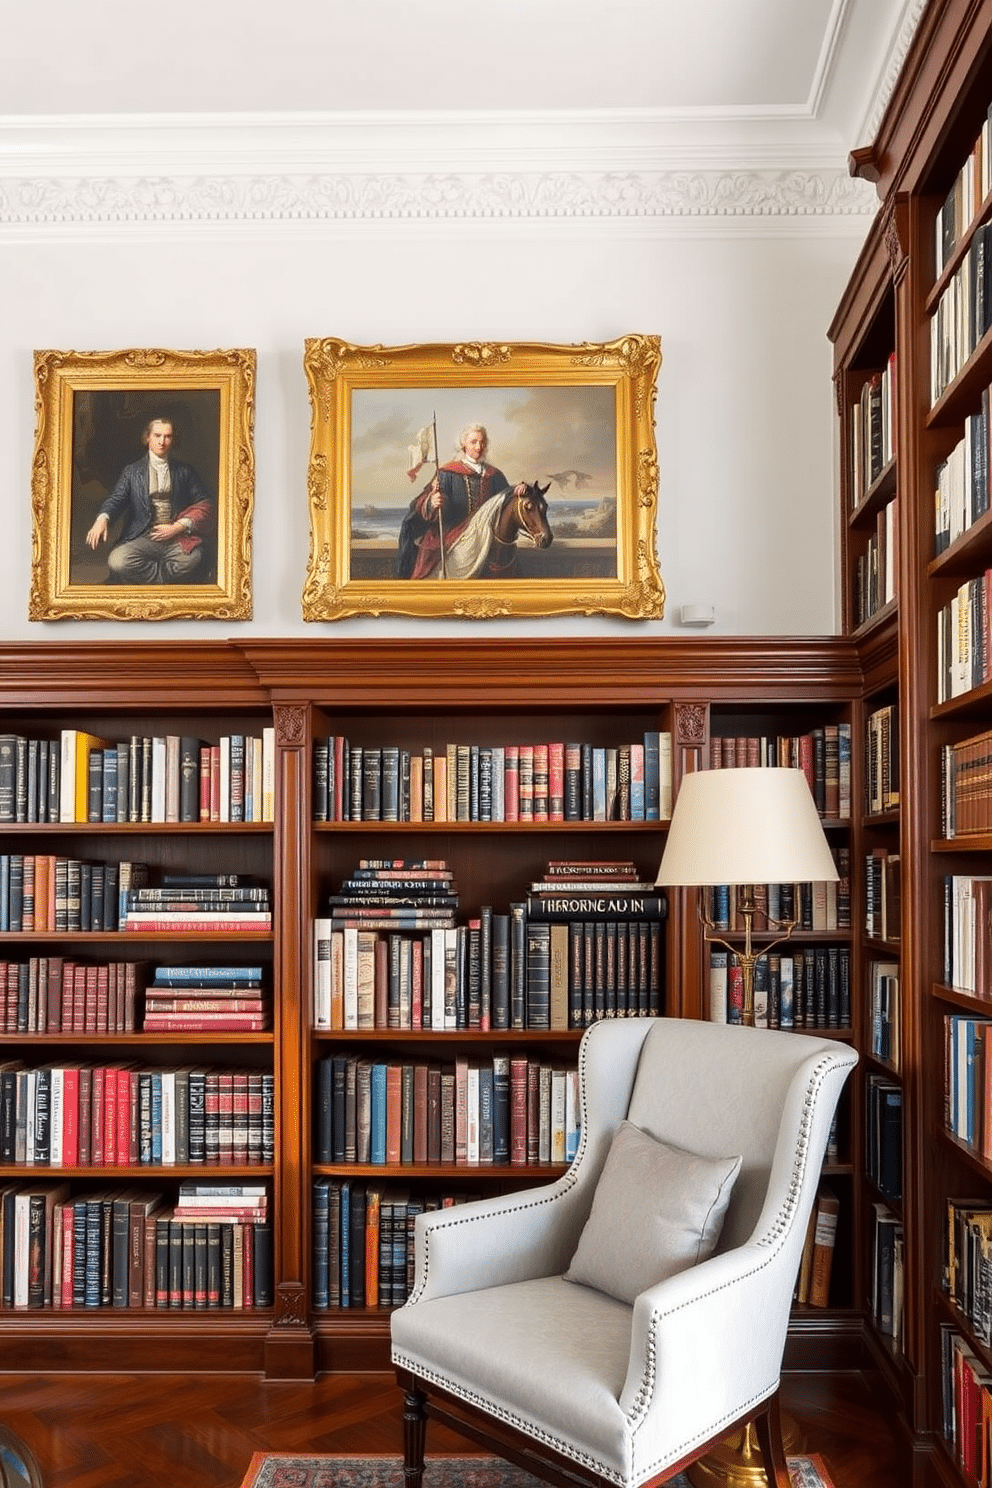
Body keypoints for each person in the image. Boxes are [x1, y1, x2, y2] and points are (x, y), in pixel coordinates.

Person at [85, 416, 213, 583]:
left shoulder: (184, 471)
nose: (162, 441)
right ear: (147, 438)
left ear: (173, 440)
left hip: (176, 537)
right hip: (143, 536)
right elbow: (117, 499)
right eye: (157, 436)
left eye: (167, 436)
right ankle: (164, 583)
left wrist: (177, 527)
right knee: (118, 561)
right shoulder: (132, 471)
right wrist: (102, 518)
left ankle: (149, 584)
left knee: (193, 559)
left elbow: (205, 503)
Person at [396, 423, 528, 579]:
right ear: (463, 445)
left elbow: (506, 499)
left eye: (482, 442)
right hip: (453, 532)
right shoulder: (447, 473)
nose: (479, 447)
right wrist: (433, 502)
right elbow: (421, 502)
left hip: (486, 536)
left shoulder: (494, 475)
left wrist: (518, 490)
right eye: (474, 442)